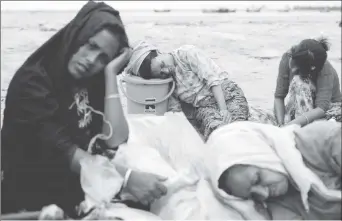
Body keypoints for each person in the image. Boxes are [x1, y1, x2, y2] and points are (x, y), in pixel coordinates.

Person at [1, 1, 167, 215]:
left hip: (77, 188)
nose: (91, 60)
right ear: (76, 35)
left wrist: (109, 75)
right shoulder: (33, 84)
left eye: (102, 58)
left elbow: (115, 140)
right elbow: (65, 152)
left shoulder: (90, 79)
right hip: (33, 200)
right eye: (91, 46)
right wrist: (126, 179)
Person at [207, 120, 341, 220]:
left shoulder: (323, 140)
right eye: (253, 195)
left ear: (263, 154)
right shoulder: (277, 204)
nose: (264, 194)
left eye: (257, 179)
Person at [124, 41, 254, 140]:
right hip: (205, 107)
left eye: (162, 65)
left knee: (236, 128)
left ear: (158, 53)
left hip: (226, 94)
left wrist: (223, 109)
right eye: (160, 74)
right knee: (217, 132)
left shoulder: (186, 54)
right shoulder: (169, 83)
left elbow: (213, 80)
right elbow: (177, 111)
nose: (166, 71)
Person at [274, 37, 341, 127]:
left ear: (312, 69)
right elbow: (279, 96)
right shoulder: (288, 56)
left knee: (299, 82)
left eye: (298, 70)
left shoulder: (325, 70)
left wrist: (290, 126)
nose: (293, 71)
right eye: (293, 64)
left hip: (328, 113)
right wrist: (280, 124)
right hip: (302, 109)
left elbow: (321, 108)